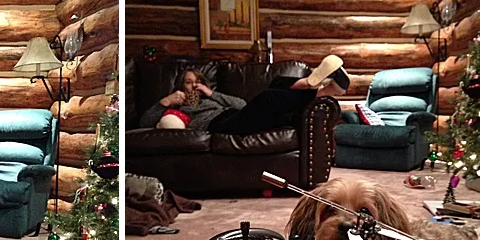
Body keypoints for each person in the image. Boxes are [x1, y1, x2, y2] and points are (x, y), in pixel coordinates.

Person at [140, 55, 350, 135]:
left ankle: (312, 85)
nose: (194, 85)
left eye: (198, 81)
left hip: (236, 116)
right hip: (221, 126)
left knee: (276, 83)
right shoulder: (177, 107)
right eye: (188, 82)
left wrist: (211, 93)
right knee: (268, 97)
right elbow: (144, 123)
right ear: (181, 85)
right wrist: (165, 101)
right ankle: (321, 90)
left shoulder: (210, 96)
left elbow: (240, 104)